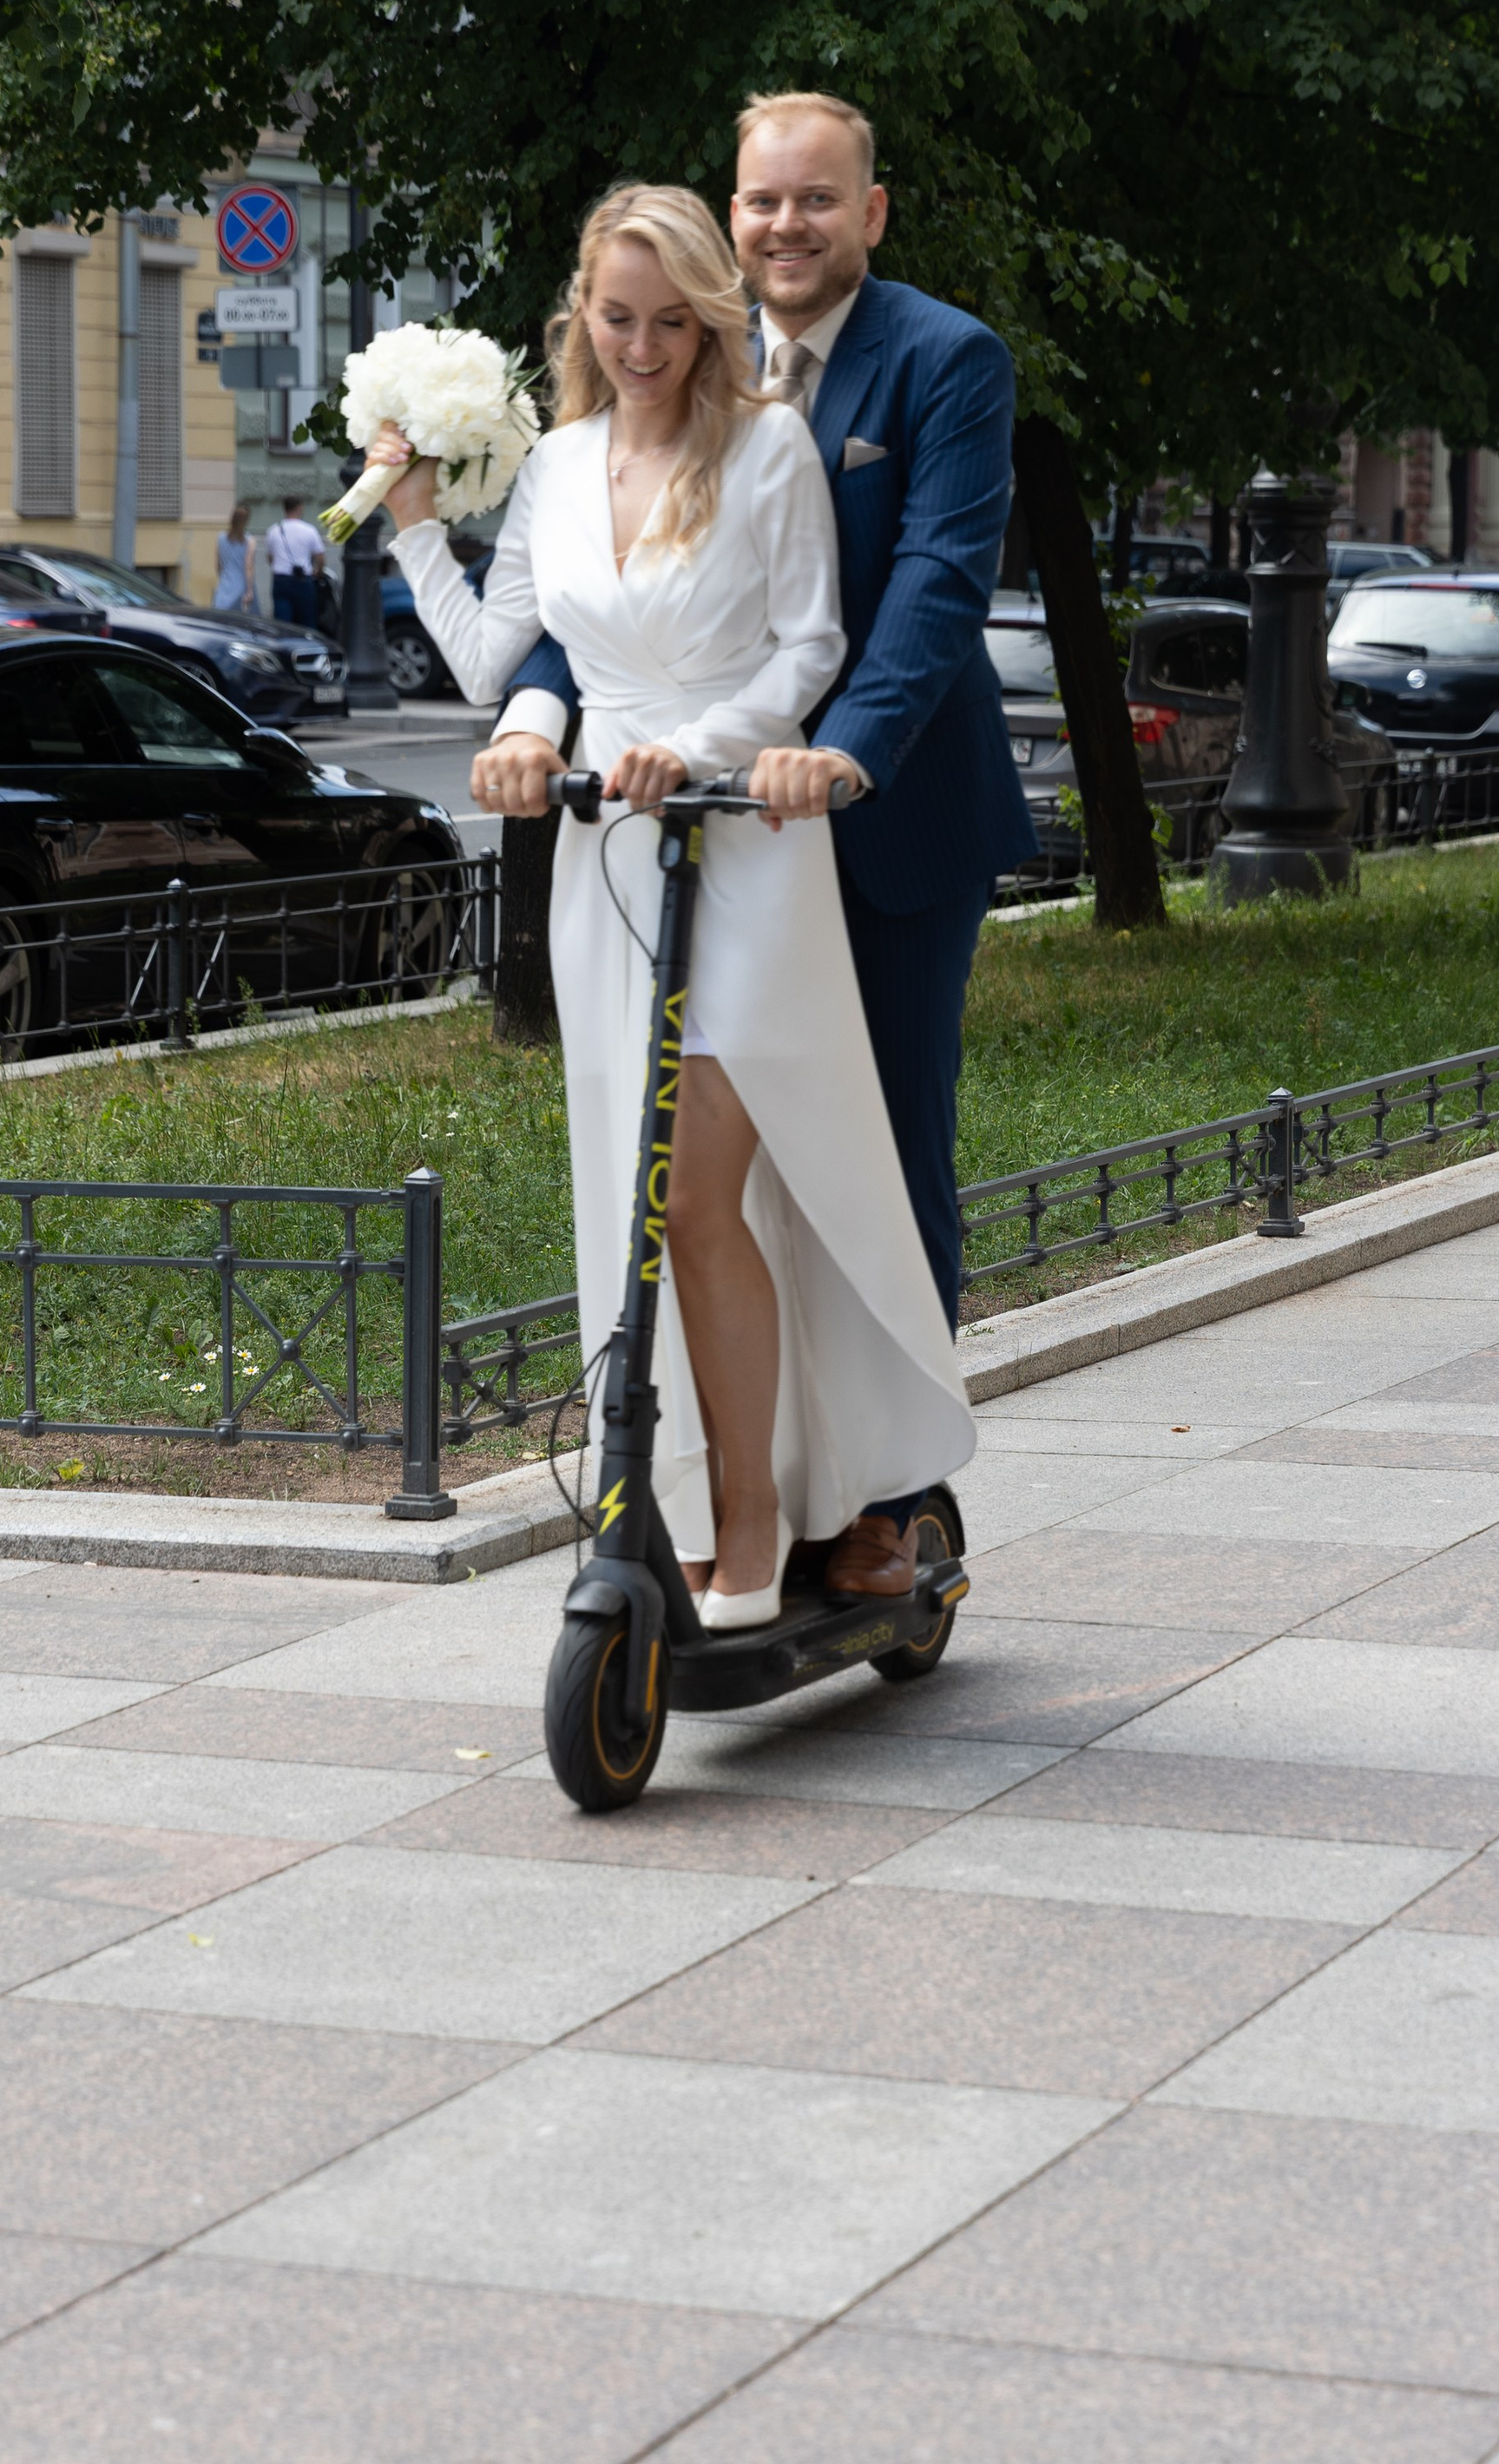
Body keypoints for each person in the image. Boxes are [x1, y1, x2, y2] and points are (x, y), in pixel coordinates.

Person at [371, 184, 972, 1625]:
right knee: (642, 1211)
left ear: (708, 320)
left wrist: (693, 750)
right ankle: (681, 1503)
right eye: (615, 318)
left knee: (702, 1196)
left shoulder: (766, 449)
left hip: (740, 844)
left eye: (667, 322)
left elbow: (811, 645)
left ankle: (757, 1523)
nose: (641, 347)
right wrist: (501, 689)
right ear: (582, 314)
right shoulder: (563, 464)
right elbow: (505, 656)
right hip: (607, 860)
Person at [477, 92, 1033, 1600]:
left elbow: (929, 585)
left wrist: (843, 752)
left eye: (816, 200)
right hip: (694, 839)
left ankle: (892, 1506)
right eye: (763, 200)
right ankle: (751, 1493)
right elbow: (588, 622)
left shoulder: (941, 359)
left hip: (875, 817)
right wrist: (541, 711)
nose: (787, 224)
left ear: (873, 211)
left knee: (871, 1158)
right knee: (706, 1186)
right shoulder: (671, 375)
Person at [266, 497, 327, 627]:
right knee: (307, 622)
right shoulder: (309, 530)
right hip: (303, 580)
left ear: (284, 509)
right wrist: (318, 571)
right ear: (300, 508)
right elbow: (320, 557)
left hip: (280, 579)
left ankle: (283, 647)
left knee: (282, 623)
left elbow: (270, 558)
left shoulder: (274, 530)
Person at [213, 500, 255, 613]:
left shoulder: (220, 538)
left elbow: (218, 566)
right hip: (241, 587)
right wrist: (250, 590)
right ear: (246, 521)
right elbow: (248, 566)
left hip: (224, 586)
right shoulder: (249, 541)